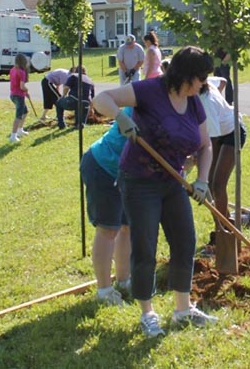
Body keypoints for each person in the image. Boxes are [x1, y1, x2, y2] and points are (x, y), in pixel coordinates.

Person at [92, 46, 217, 338]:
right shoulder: (149, 91)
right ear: (186, 75)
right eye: (200, 77)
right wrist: (121, 118)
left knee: (185, 240)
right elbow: (101, 99)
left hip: (173, 181)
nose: (204, 84)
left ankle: (182, 310)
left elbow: (205, 145)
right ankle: (148, 314)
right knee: (145, 246)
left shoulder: (194, 101)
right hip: (139, 182)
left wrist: (203, 180)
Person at [81, 106, 134, 306]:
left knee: (127, 227)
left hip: (129, 174)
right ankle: (104, 290)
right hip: (103, 166)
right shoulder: (144, 100)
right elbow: (102, 100)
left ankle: (123, 280)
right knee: (108, 229)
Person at [199, 75, 246, 244]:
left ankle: (222, 230)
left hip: (233, 132)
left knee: (217, 184)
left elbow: (210, 142)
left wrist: (199, 168)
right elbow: (223, 81)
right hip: (217, 132)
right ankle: (226, 223)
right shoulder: (206, 83)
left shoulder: (207, 103)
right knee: (211, 185)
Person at [8, 53, 30, 144]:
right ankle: (13, 136)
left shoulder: (12, 69)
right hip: (18, 96)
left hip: (13, 94)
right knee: (18, 116)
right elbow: (21, 86)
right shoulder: (22, 72)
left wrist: (25, 92)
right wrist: (26, 90)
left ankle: (20, 130)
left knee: (25, 111)